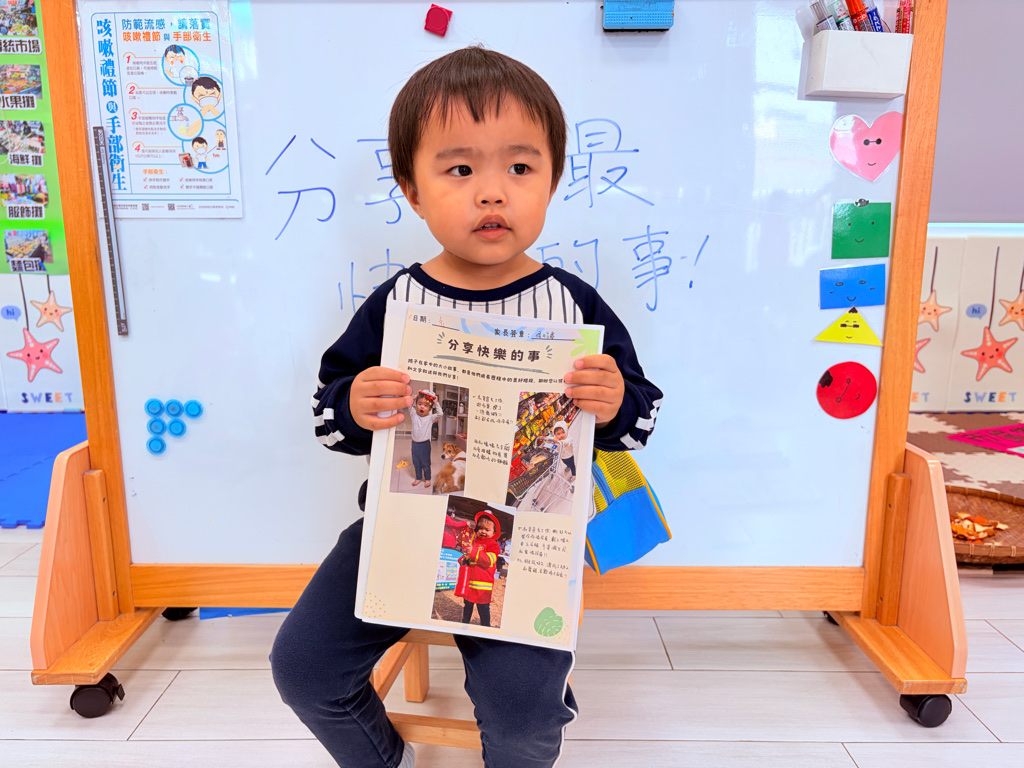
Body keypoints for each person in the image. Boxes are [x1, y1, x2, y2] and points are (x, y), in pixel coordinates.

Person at [271, 46, 663, 768]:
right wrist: (356, 403)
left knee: (523, 713)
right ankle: (379, 757)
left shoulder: (573, 303)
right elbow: (330, 416)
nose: (492, 193)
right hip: (400, 530)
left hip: (526, 544)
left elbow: (640, 417)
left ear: (552, 180)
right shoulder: (397, 302)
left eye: (520, 168)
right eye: (459, 170)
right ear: (412, 190)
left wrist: (612, 402)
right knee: (303, 668)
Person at [454, 511, 502, 626]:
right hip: (470, 585)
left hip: (482, 587)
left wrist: (473, 551)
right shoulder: (474, 543)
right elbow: (467, 556)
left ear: (494, 532)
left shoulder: (493, 545)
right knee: (467, 606)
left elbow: (488, 560)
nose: (483, 531)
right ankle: (464, 624)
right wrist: (462, 560)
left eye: (487, 529)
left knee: (483, 610)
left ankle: (486, 629)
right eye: (480, 528)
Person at [406, 389, 442, 487]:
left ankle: (427, 479)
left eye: (425, 405)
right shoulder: (414, 415)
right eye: (419, 404)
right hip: (414, 444)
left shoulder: (430, 418)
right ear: (416, 405)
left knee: (425, 463)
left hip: (425, 444)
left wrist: (436, 403)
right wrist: (415, 396)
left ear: (430, 409)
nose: (422, 407)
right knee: (416, 463)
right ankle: (418, 478)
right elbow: (408, 404)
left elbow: (440, 414)